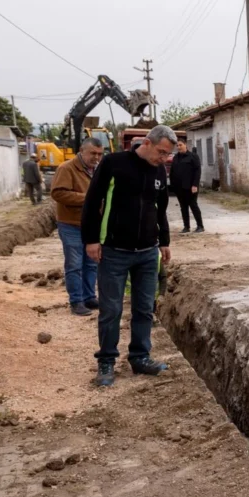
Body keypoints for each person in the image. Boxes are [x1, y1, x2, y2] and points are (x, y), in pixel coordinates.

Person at [81, 125, 175, 387]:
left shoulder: (158, 172)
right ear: (147, 143)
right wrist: (90, 239)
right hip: (114, 251)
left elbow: (161, 209)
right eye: (161, 152)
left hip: (147, 253)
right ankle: (107, 361)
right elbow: (92, 201)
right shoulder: (113, 163)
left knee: (145, 308)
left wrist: (164, 241)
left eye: (168, 155)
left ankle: (140, 357)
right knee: (110, 310)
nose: (164, 159)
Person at [51, 138, 104, 316]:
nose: (96, 157)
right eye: (93, 153)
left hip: (92, 225)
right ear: (82, 150)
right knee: (74, 265)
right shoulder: (66, 168)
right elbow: (58, 193)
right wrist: (89, 198)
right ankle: (76, 301)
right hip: (71, 225)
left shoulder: (98, 170)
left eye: (99, 154)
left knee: (91, 263)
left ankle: (89, 297)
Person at [169, 139, 204, 233]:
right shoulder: (176, 157)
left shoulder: (193, 156)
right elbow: (172, 171)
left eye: (180, 145)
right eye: (177, 145)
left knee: (193, 205)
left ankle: (200, 226)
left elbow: (197, 171)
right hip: (179, 187)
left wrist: (195, 185)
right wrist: (173, 185)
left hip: (190, 187)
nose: (178, 147)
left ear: (185, 145)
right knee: (183, 207)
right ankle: (186, 226)